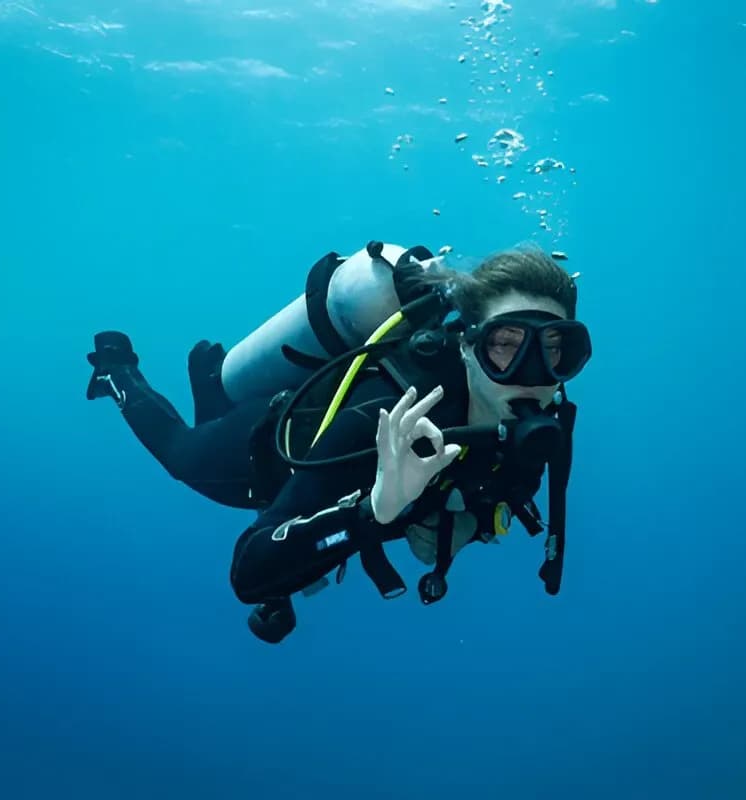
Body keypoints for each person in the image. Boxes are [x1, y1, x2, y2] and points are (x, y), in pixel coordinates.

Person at [85, 240, 592, 643]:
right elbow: (248, 573)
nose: (533, 376)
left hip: (322, 499)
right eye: (506, 346)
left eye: (555, 351)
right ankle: (116, 368)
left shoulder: (541, 428)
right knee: (182, 455)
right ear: (467, 348)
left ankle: (209, 379)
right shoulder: (384, 416)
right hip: (268, 453)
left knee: (211, 423)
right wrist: (373, 512)